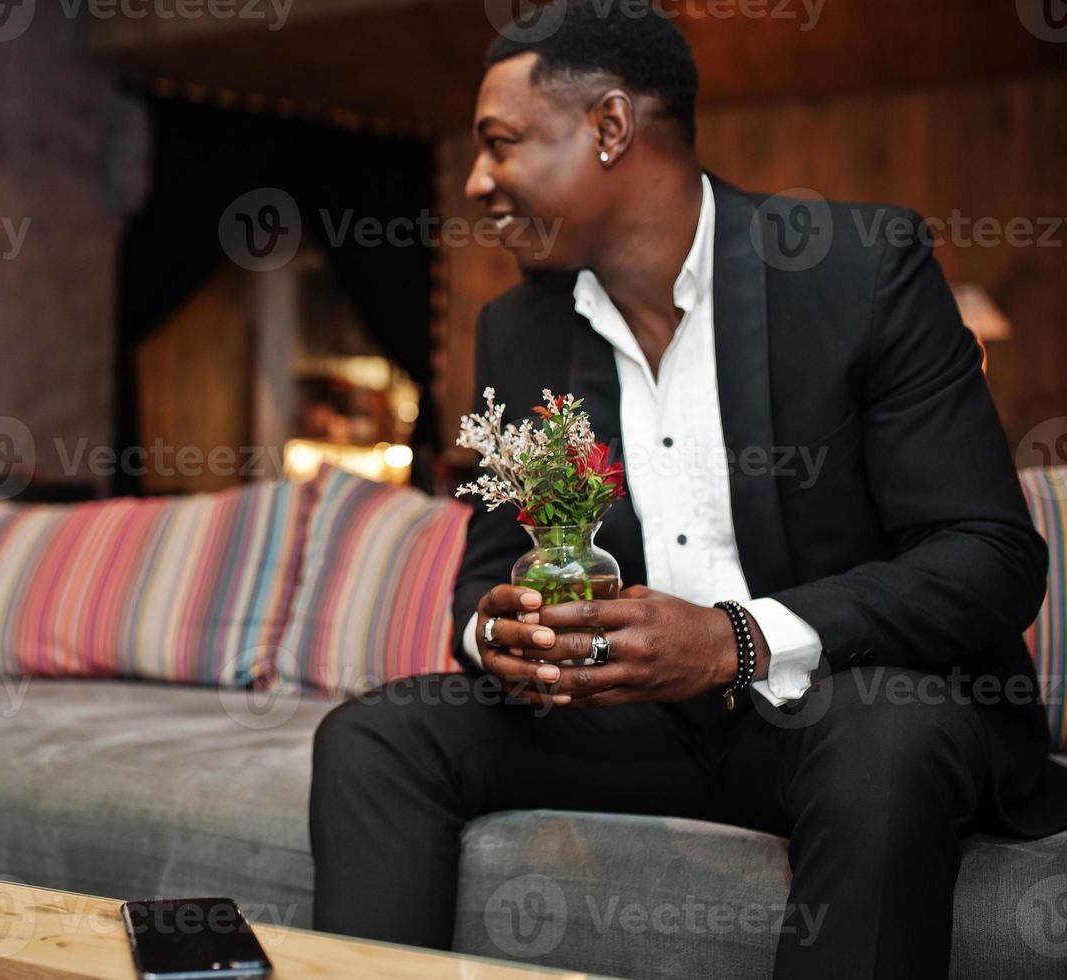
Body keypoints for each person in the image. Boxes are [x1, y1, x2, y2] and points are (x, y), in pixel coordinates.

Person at [307, 4, 1067, 979]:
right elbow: (488, 570)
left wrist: (732, 638)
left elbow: (989, 555)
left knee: (892, 733)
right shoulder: (519, 330)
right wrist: (494, 632)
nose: (476, 184)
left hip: (835, 714)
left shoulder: (856, 269)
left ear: (611, 128)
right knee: (376, 733)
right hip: (632, 725)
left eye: (500, 145)